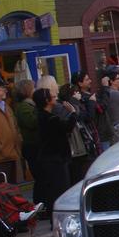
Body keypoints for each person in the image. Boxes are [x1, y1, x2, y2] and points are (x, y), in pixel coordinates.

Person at [32, 88, 77, 220]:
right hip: (55, 159)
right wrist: (73, 113)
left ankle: (57, 218)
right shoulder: (49, 119)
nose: (55, 97)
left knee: (54, 189)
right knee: (59, 189)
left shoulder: (43, 116)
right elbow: (67, 126)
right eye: (52, 96)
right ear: (47, 100)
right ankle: (60, 218)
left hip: (50, 158)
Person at [13, 79, 39, 186]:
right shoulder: (23, 106)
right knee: (39, 177)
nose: (35, 90)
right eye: (33, 88)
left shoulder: (30, 104)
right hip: (32, 145)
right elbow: (32, 122)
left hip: (34, 144)